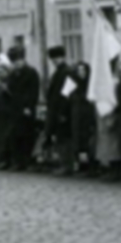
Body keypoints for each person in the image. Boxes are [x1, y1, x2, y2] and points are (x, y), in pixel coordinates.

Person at [5, 45, 41, 172]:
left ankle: (27, 161)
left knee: (26, 136)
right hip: (15, 109)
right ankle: (18, 161)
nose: (16, 64)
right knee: (15, 136)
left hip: (26, 110)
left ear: (23, 60)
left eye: (18, 62)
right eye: (14, 62)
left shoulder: (31, 73)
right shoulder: (13, 74)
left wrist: (29, 107)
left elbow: (34, 92)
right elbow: (11, 90)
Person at [45, 46, 73, 174]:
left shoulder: (67, 72)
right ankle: (63, 163)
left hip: (63, 110)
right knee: (60, 138)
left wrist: (63, 111)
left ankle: (67, 164)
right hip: (56, 109)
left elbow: (67, 93)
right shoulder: (58, 72)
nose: (55, 61)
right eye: (53, 59)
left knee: (65, 139)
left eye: (57, 58)